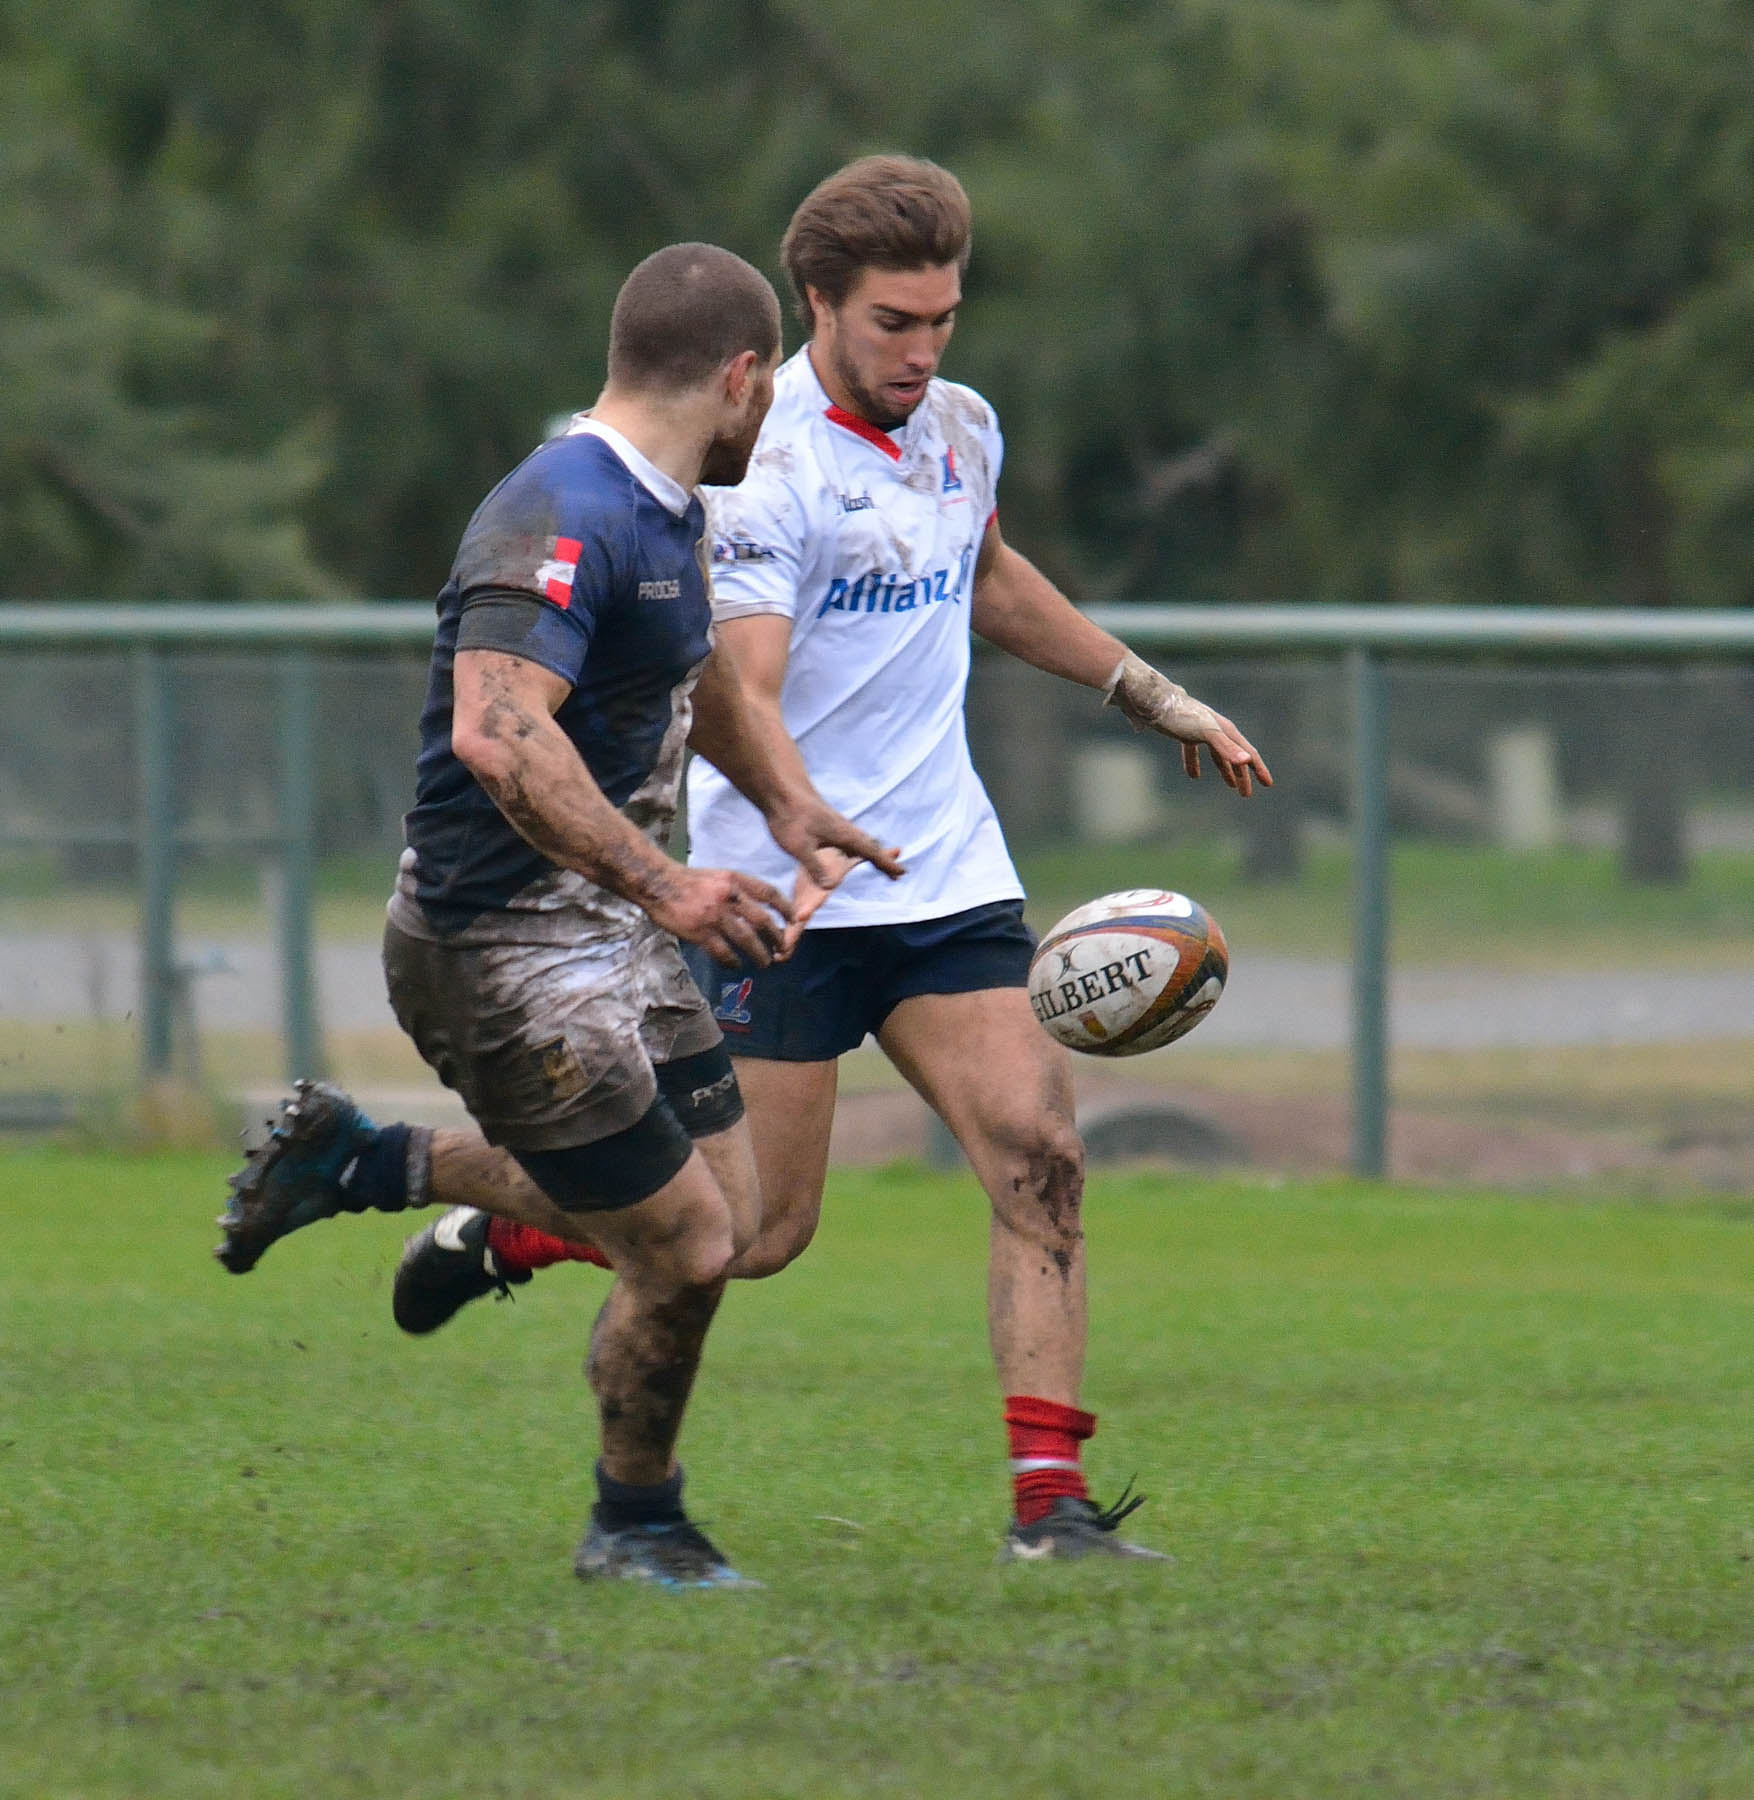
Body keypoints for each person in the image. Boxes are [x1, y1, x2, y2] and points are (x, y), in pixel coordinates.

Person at [394, 158, 1272, 1562]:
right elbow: (738, 683)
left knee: (1041, 1156)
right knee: (750, 1234)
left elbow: (984, 576)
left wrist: (1148, 693)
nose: (922, 353)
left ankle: (1047, 1506)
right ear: (815, 306)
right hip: (784, 894)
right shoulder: (761, 465)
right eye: (891, 324)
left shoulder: (961, 427)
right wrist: (800, 820)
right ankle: (494, 1219)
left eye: (942, 320)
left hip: (947, 874)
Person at [213, 241, 903, 1590]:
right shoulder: (556, 510)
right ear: (742, 376)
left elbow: (684, 688)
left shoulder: (668, 506)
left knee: (741, 1224)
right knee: (687, 1246)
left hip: (615, 937)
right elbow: (498, 731)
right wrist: (672, 884)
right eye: (772, 391)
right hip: (498, 952)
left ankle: (369, 1163)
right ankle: (634, 1522)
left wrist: (789, 804)